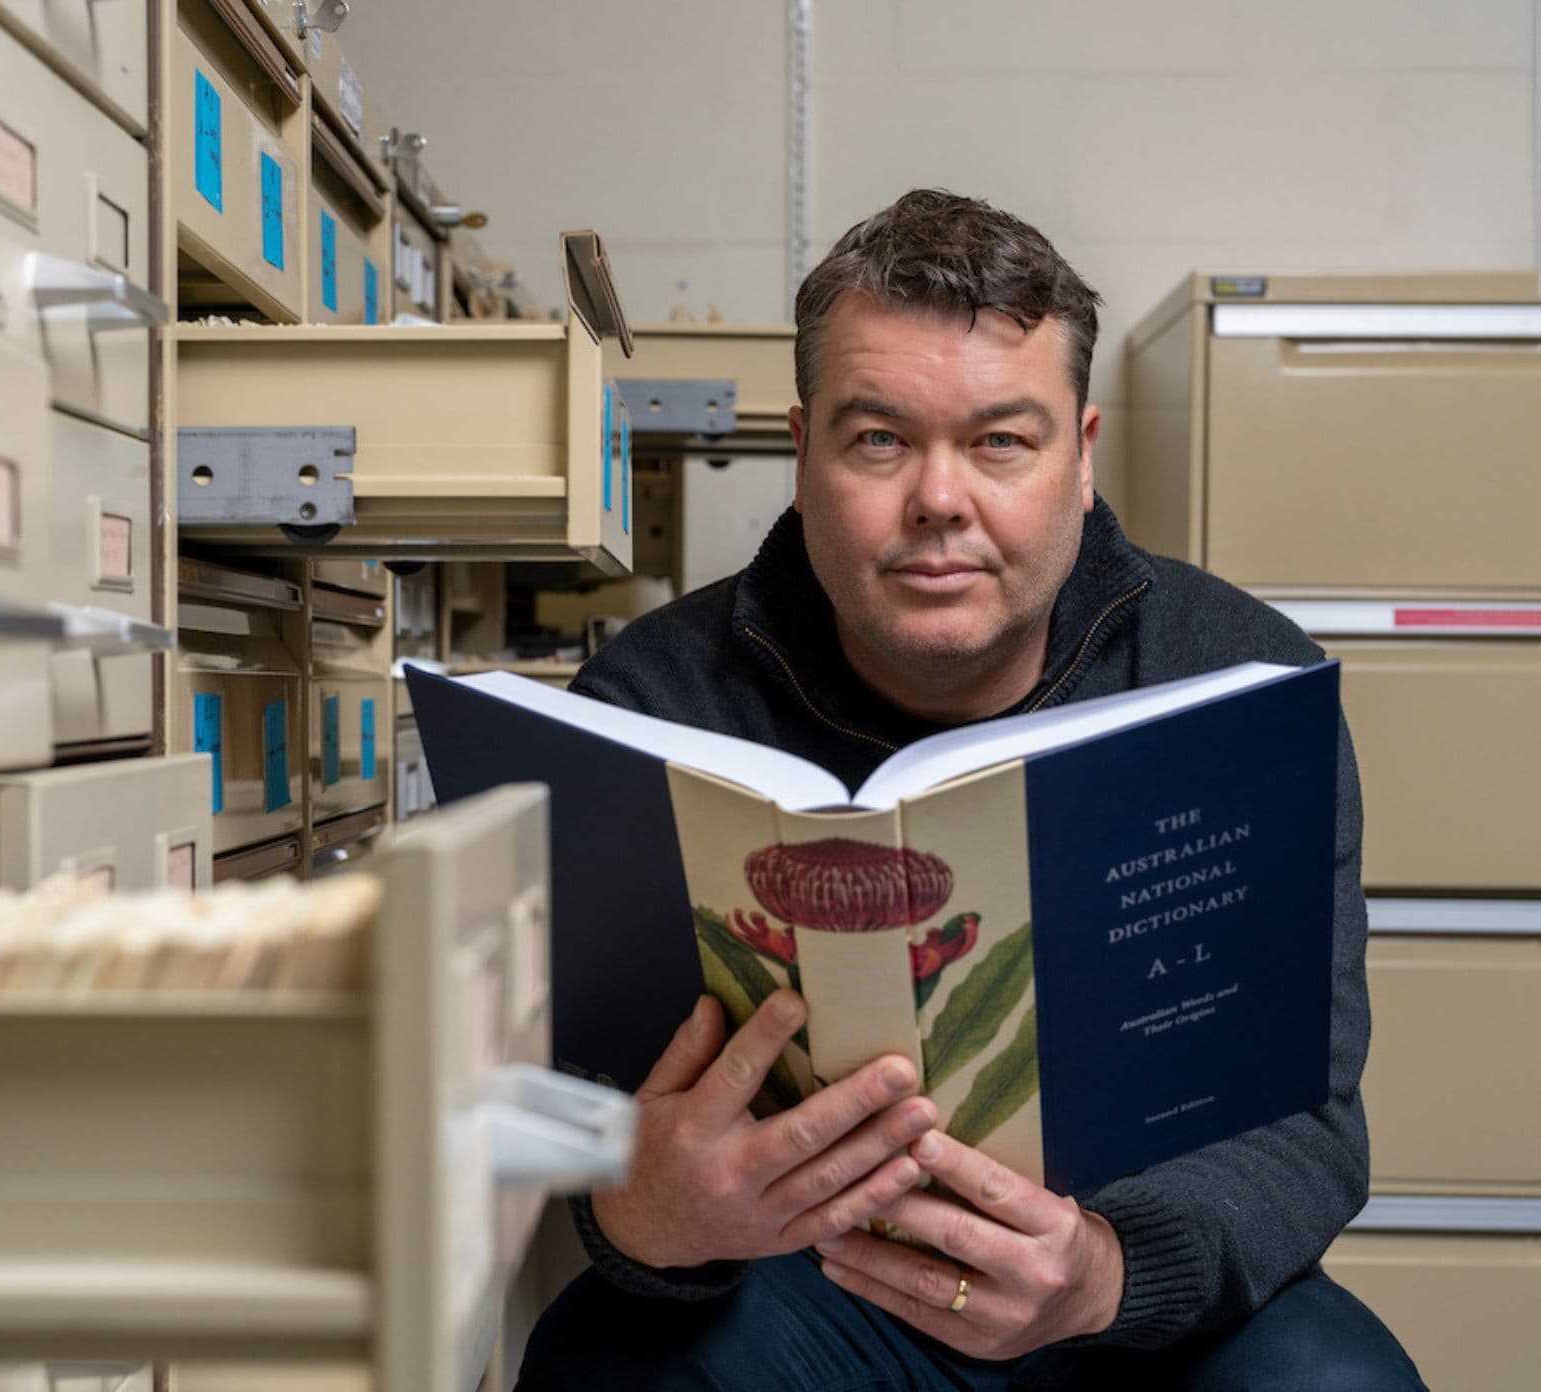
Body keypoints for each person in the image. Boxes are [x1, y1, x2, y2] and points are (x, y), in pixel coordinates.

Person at [516, 191, 1423, 1390]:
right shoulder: (647, 700)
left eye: (1001, 440)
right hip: (797, 1288)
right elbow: (549, 1093)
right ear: (801, 452)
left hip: (1125, 1285)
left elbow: (1306, 1120)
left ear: (1082, 456)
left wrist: (1106, 1272)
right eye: (878, 439)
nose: (938, 499)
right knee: (601, 1366)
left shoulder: (1238, 682)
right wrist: (639, 1212)